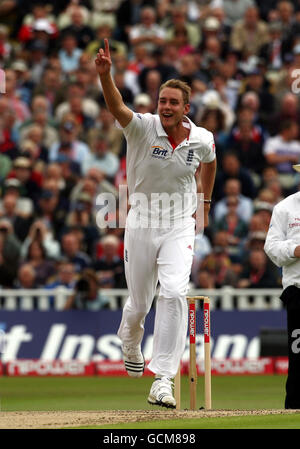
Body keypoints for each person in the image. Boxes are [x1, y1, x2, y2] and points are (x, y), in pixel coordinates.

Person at [95, 39, 216, 409]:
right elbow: (117, 106)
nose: (165, 107)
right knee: (139, 303)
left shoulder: (201, 138)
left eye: (172, 103)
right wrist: (106, 75)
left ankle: (163, 378)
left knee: (175, 292)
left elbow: (210, 161)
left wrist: (204, 203)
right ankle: (130, 342)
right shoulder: (143, 127)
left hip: (180, 224)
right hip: (142, 222)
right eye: (162, 101)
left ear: (185, 108)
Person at [264, 163, 300, 409]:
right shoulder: (285, 207)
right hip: (298, 291)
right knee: (298, 358)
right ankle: (294, 410)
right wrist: (295, 250)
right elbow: (272, 247)